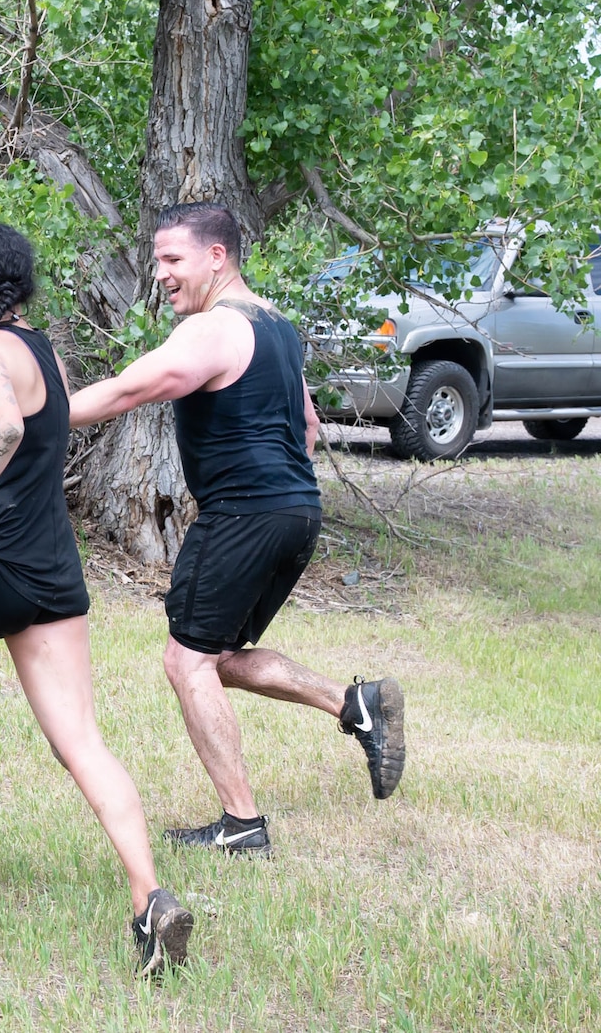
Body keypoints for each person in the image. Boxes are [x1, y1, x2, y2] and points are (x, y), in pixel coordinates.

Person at [0, 222, 192, 977]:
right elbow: (22, 417)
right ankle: (151, 900)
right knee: (81, 740)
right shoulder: (43, 352)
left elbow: (7, 425)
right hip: (55, 573)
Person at [67, 201, 406, 857]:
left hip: (245, 514)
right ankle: (355, 703)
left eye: (172, 259)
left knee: (185, 658)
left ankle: (242, 825)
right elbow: (305, 422)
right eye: (158, 259)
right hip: (295, 509)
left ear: (215, 256)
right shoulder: (275, 323)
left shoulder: (212, 329)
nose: (160, 273)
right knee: (215, 658)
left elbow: (129, 390)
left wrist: (35, 418)